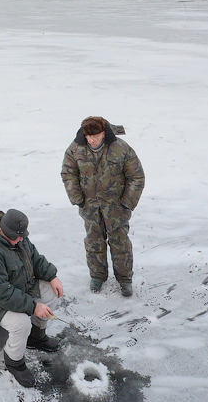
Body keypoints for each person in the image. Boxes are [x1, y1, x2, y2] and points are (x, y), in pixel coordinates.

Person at [0, 208, 64, 388]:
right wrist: (33, 306)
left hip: (20, 288)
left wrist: (52, 276)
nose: (21, 240)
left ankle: (35, 337)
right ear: (3, 231)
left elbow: (35, 259)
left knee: (51, 294)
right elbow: (2, 294)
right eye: (17, 237)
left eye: (23, 236)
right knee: (21, 323)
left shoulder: (17, 235)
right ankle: (14, 361)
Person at [61, 116, 145, 297]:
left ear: (104, 133)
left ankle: (125, 279)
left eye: (96, 136)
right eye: (88, 136)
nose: (91, 140)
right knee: (93, 242)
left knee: (120, 243)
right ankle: (97, 276)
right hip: (90, 208)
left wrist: (127, 203)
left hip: (116, 208)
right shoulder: (75, 149)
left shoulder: (120, 148)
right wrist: (77, 198)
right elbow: (68, 174)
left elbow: (136, 177)